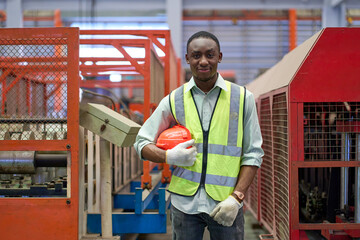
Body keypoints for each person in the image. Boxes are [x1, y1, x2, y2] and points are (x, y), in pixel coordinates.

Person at [134, 31, 263, 240]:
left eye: (210, 55)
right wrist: (168, 157)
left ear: (219, 57)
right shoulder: (174, 100)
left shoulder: (243, 98)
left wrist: (237, 198)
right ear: (187, 59)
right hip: (184, 205)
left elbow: (253, 153)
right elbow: (141, 143)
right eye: (196, 55)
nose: (203, 61)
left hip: (225, 204)